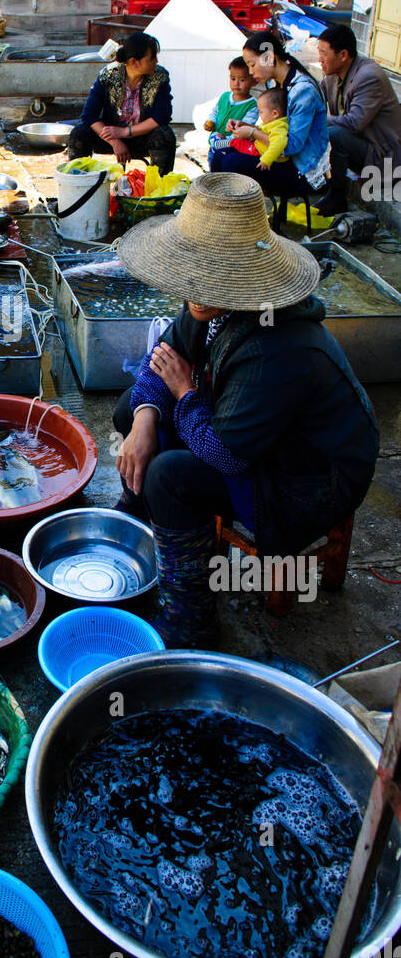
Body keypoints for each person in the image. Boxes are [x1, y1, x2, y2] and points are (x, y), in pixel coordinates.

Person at [112, 172, 378, 648]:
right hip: (257, 436)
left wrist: (186, 393)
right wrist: (146, 420)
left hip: (308, 478)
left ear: (242, 278)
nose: (193, 292)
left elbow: (225, 456)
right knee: (130, 411)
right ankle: (138, 515)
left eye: (208, 278)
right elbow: (163, 361)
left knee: (170, 476)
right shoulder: (210, 305)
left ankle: (191, 616)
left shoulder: (277, 347)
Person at [210, 31, 329, 196]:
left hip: (299, 169)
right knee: (218, 154)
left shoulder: (303, 91)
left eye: (252, 64)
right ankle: (215, 209)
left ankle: (232, 216)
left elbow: (290, 146)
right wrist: (246, 127)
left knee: (232, 162)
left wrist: (252, 132)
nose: (250, 72)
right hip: (276, 156)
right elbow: (274, 129)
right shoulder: (279, 84)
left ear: (269, 58)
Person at [316, 23, 401, 216]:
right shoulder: (331, 75)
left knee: (332, 133)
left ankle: (337, 197)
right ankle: (322, 184)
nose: (319, 59)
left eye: (323, 53)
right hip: (362, 148)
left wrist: (318, 120)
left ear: (343, 55)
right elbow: (315, 101)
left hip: (383, 158)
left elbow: (354, 123)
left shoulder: (369, 77)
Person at [68, 32, 176, 174]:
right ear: (134, 62)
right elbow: (89, 115)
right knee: (79, 132)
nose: (156, 62)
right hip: (109, 139)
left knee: (165, 135)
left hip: (142, 138)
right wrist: (115, 141)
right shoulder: (108, 75)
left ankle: (160, 189)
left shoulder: (160, 77)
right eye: (152, 58)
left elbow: (161, 117)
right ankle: (79, 184)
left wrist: (125, 132)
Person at [204, 57, 259, 162]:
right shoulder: (225, 96)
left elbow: (244, 130)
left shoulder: (252, 105)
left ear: (254, 81)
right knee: (212, 170)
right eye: (233, 78)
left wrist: (225, 141)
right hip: (214, 144)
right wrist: (210, 121)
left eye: (242, 80)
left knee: (225, 172)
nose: (236, 84)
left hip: (231, 149)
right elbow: (215, 112)